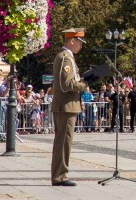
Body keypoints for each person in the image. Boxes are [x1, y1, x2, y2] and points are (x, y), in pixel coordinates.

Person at [51, 28, 88, 187]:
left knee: (64, 142)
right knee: (64, 142)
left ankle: (60, 174)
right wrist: (83, 85)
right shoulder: (65, 58)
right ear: (72, 41)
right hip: (66, 106)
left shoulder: (67, 57)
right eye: (79, 43)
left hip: (67, 106)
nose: (80, 46)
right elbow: (66, 85)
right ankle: (60, 176)